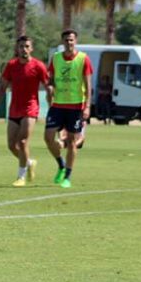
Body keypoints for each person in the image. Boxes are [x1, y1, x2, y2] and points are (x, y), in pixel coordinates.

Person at [0, 36, 49, 187]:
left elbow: (48, 84)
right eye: (21, 46)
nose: (23, 49)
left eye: (26, 46)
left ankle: (21, 177)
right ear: (16, 49)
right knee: (11, 145)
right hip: (14, 110)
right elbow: (3, 86)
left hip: (30, 109)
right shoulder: (11, 65)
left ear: (31, 48)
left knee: (23, 142)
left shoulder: (38, 66)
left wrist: (52, 103)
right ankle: (29, 162)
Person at [44, 29, 93, 189]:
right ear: (62, 42)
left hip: (75, 106)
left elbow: (88, 85)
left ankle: (67, 176)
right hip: (57, 104)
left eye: (71, 40)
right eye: (66, 40)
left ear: (75, 41)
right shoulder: (56, 58)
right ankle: (61, 164)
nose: (69, 43)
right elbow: (50, 80)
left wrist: (87, 106)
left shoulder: (83, 59)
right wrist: (50, 88)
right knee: (48, 137)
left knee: (71, 142)